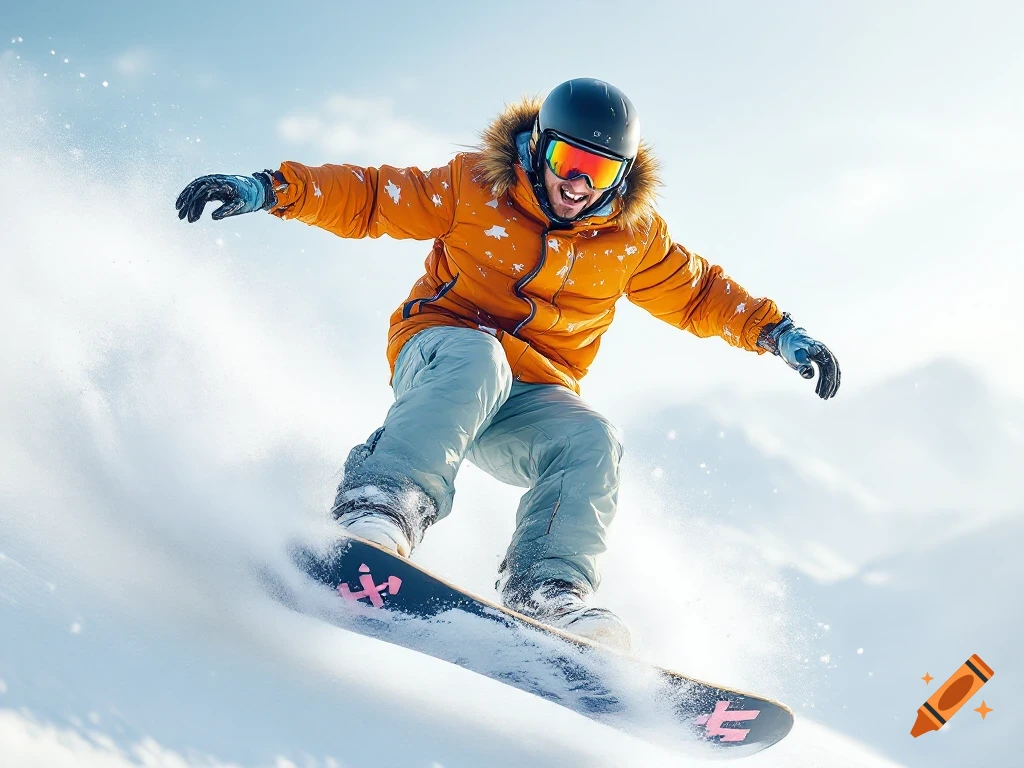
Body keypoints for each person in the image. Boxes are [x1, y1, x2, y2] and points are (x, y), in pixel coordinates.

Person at [176, 78, 840, 651]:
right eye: (567, 160)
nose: (577, 184)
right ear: (538, 146)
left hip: (528, 397)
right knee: (479, 355)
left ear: (622, 175)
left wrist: (779, 334)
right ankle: (380, 506)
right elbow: (373, 197)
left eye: (599, 171)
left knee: (592, 438)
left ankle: (548, 591)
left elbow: (698, 293)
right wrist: (270, 189)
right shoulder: (475, 186)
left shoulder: (632, 239)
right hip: (444, 353)